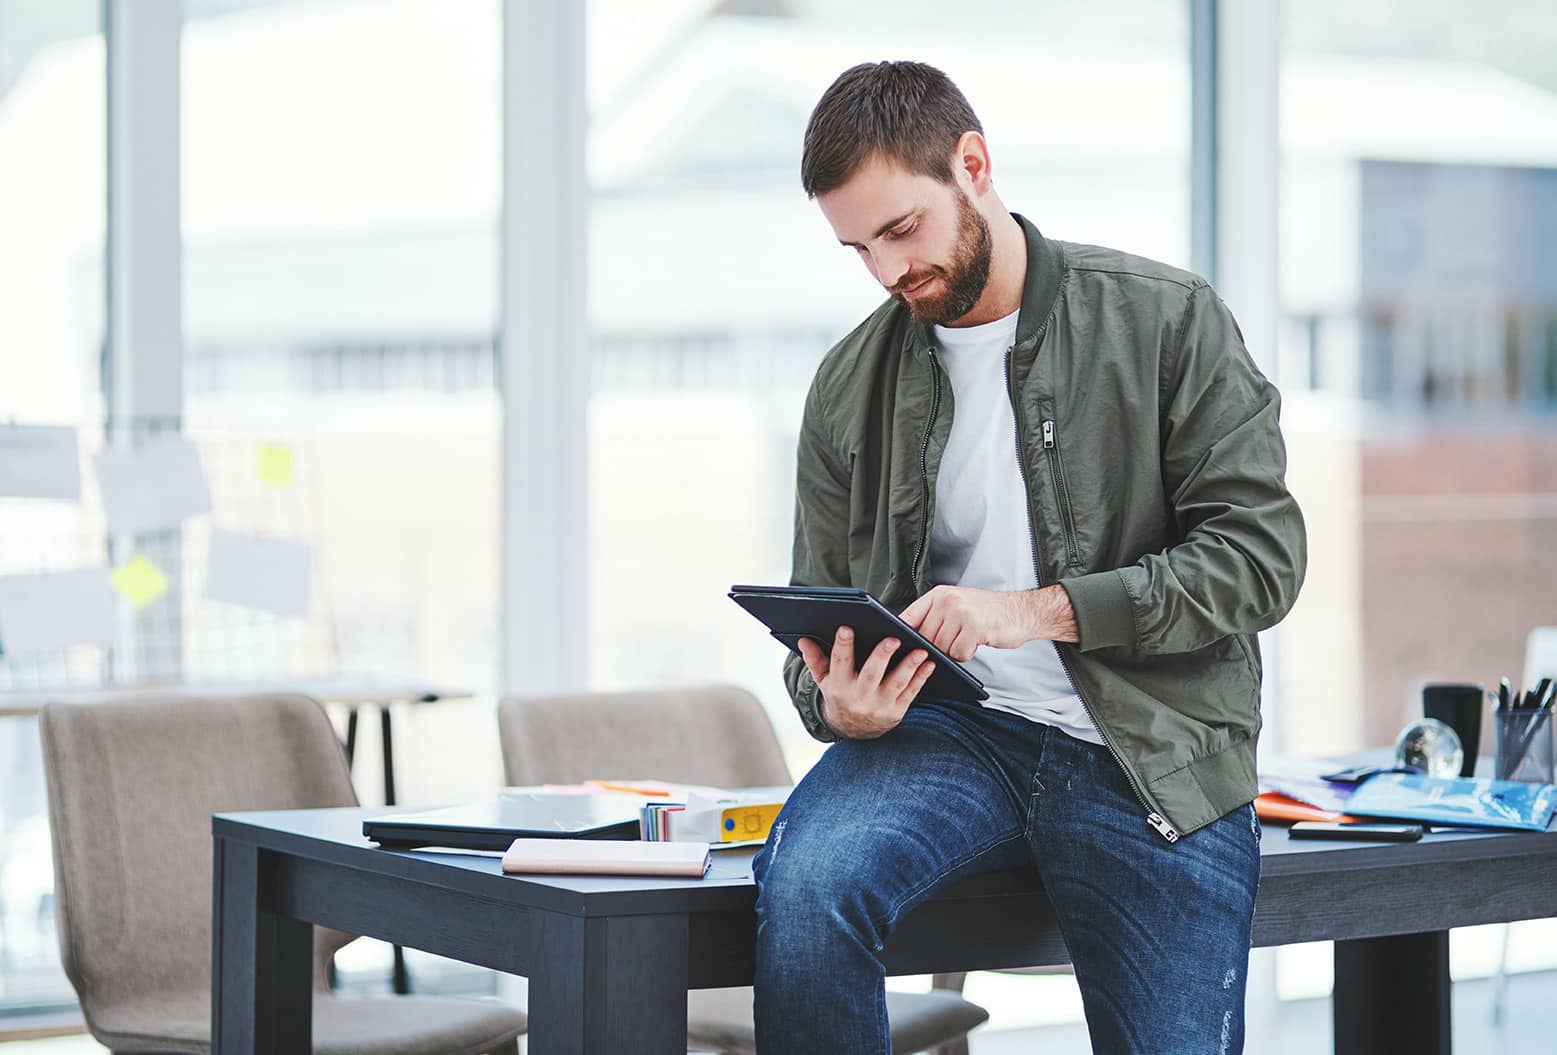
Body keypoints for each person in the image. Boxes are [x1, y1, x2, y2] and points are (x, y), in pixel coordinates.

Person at [751, 60, 1307, 1055]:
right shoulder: (847, 385)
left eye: (901, 230)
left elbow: (1261, 560)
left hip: (1150, 748)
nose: (886, 273)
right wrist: (836, 700)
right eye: (856, 248)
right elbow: (819, 621)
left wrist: (1038, 608)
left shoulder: (1166, 322)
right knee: (807, 884)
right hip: (951, 740)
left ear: (973, 164)